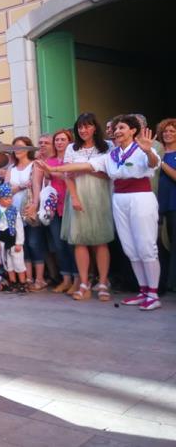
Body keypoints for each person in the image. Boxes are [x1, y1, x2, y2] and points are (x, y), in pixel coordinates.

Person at [43, 114, 162, 310]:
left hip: (140, 196)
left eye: (122, 127)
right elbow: (85, 165)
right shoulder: (112, 155)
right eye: (116, 129)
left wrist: (148, 151)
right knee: (130, 247)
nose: (117, 131)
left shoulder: (141, 149)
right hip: (119, 199)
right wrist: (53, 168)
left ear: (133, 130)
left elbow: (152, 164)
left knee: (146, 246)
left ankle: (153, 294)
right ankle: (143, 291)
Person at [59, 113, 113, 301]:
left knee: (101, 240)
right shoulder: (71, 149)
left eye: (87, 126)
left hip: (100, 195)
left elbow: (110, 174)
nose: (83, 130)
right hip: (78, 194)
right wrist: (74, 197)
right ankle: (84, 283)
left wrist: (83, 168)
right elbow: (67, 174)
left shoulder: (107, 147)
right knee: (80, 240)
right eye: (80, 127)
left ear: (95, 128)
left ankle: (103, 282)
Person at [31, 129, 78, 294]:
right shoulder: (48, 161)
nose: (59, 143)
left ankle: (78, 279)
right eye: (56, 140)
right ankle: (66, 279)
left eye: (62, 140)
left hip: (70, 203)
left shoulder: (73, 159)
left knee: (73, 244)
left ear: (69, 141)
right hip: (53, 206)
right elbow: (40, 182)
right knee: (59, 244)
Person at [7, 137, 47, 291]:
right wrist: (21, 186)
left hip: (29, 209)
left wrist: (35, 205)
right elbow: (5, 190)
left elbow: (37, 186)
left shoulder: (34, 165)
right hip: (14, 212)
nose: (17, 150)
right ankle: (28, 277)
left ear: (28, 149)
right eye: (15, 147)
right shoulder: (11, 168)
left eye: (20, 147)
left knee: (34, 243)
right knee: (22, 245)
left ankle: (40, 278)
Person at [0, 184, 27, 293]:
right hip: (2, 240)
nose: (9, 200)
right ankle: (13, 283)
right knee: (8, 264)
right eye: (6, 198)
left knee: (18, 263)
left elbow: (19, 227)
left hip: (13, 240)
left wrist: (19, 242)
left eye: (11, 198)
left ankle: (22, 283)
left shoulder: (14, 210)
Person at [157, 118, 176, 290]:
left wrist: (161, 163)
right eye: (165, 131)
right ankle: (164, 282)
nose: (168, 134)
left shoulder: (161, 158)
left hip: (174, 204)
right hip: (158, 204)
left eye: (172, 131)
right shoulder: (157, 152)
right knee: (162, 244)